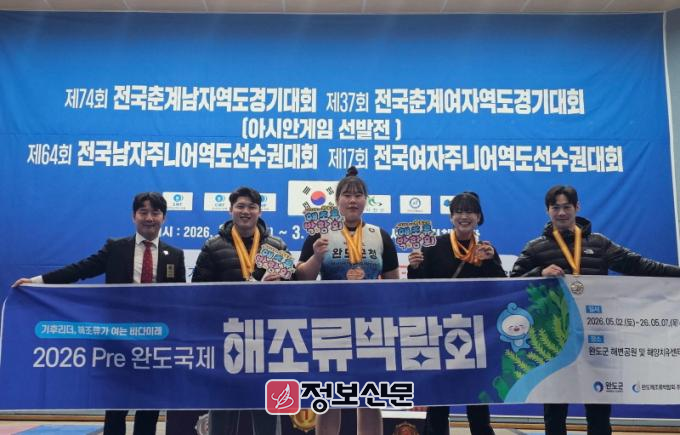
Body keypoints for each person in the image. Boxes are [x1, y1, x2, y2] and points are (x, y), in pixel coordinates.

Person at [510, 185, 680, 435]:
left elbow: (638, 265)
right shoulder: (536, 248)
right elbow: (512, 284)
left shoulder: (599, 244)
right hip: (557, 339)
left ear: (577, 207)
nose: (561, 213)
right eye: (555, 207)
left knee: (599, 405)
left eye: (567, 207)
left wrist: (677, 273)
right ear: (547, 211)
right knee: (555, 409)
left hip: (596, 334)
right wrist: (539, 272)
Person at [12, 192, 186, 435]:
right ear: (133, 216)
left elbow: (180, 298)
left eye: (155, 212)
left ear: (163, 218)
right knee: (116, 406)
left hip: (156, 340)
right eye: (143, 212)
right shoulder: (116, 248)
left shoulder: (174, 255)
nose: (149, 218)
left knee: (149, 406)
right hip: (118, 338)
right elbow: (81, 269)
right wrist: (38, 282)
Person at [296, 167, 400, 435]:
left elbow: (393, 284)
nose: (353, 200)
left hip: (371, 324)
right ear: (337, 200)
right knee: (330, 396)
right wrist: (316, 257)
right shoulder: (321, 234)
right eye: (347, 195)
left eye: (358, 195)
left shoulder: (379, 235)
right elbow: (302, 279)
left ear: (366, 200)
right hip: (330, 323)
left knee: (370, 396)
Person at [192, 186, 287, 435]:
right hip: (226, 337)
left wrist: (278, 284)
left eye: (251, 207)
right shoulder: (212, 247)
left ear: (260, 211)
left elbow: (291, 291)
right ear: (230, 210)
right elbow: (199, 292)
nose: (246, 212)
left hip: (266, 339)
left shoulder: (276, 246)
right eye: (240, 206)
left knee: (266, 408)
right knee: (223, 408)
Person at [407, 192, 504, 435]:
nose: (464, 216)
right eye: (458, 212)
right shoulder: (434, 246)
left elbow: (500, 288)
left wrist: (490, 262)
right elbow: (419, 290)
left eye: (469, 211)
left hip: (477, 332)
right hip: (440, 331)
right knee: (439, 399)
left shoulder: (486, 250)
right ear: (451, 217)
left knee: (478, 397)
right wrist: (414, 267)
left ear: (478, 217)